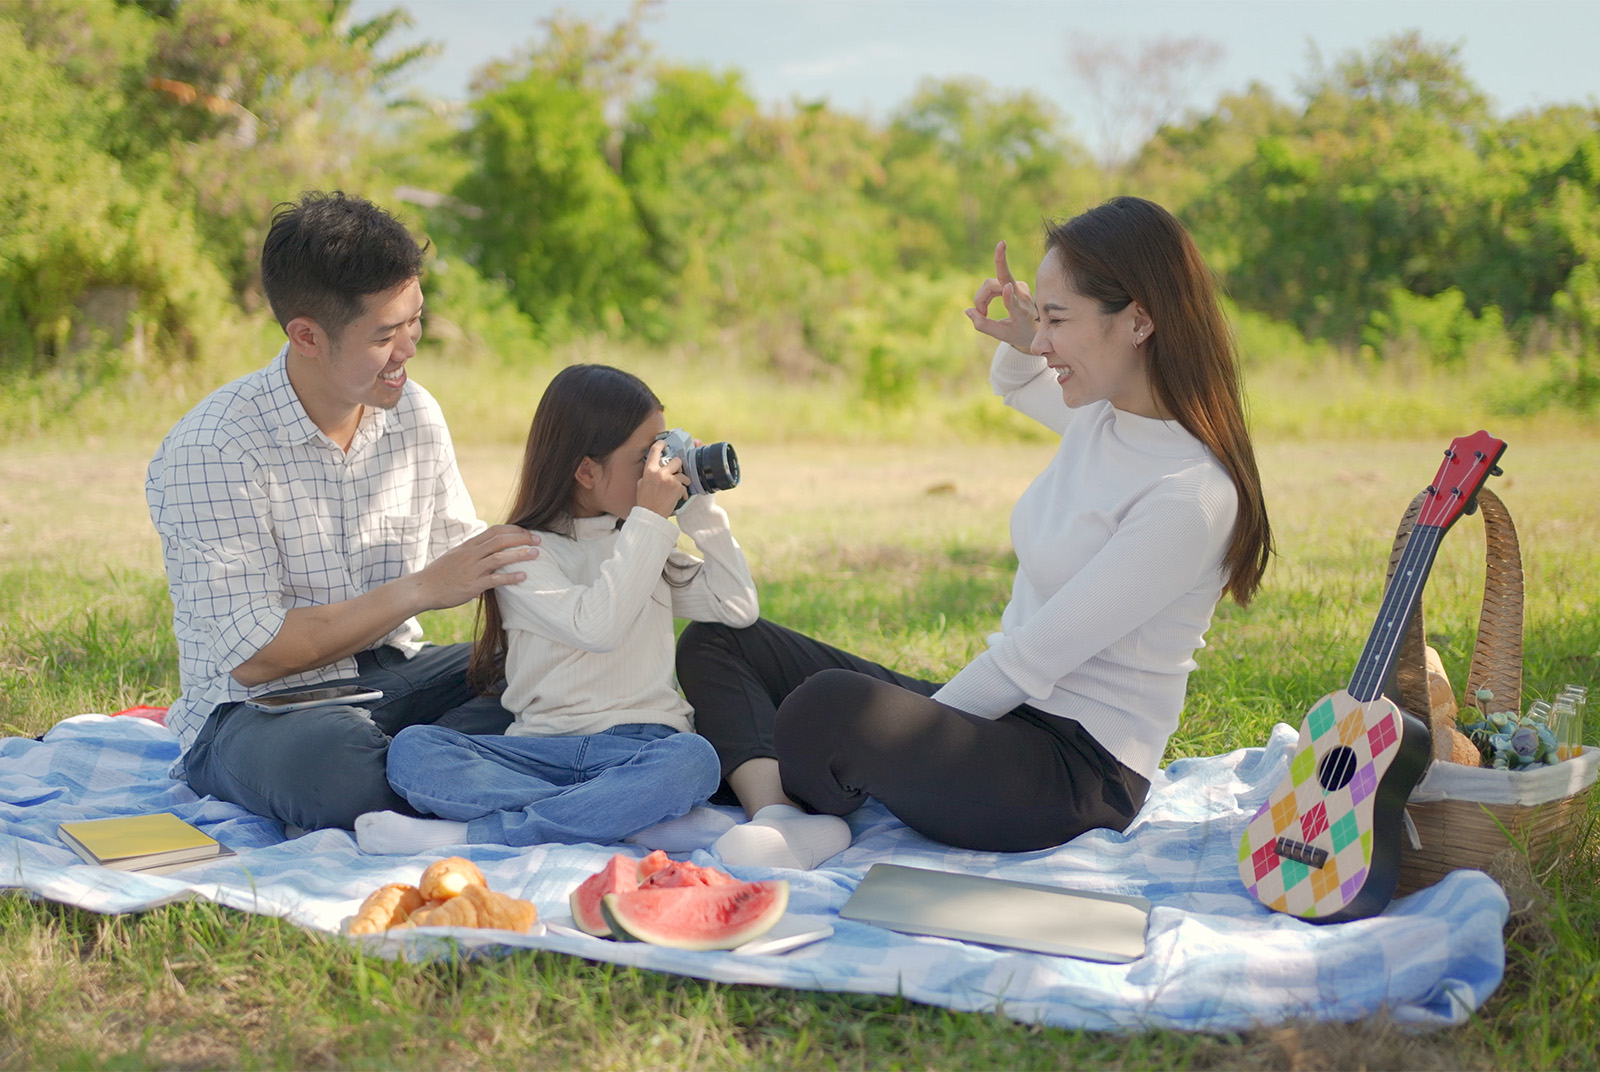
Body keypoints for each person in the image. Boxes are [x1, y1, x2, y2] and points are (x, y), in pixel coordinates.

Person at [677, 196, 1273, 867]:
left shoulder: (1189, 494)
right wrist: (1025, 338)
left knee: (826, 710)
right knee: (722, 641)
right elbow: (1019, 386)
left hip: (1073, 775)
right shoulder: (1106, 417)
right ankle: (781, 814)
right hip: (1004, 719)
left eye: (1058, 319)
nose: (1043, 342)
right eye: (1039, 319)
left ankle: (772, 775)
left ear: (1137, 320)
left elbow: (1029, 662)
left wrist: (914, 734)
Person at [146, 191, 539, 834]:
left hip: (397, 679)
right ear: (306, 335)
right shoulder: (214, 447)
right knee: (336, 771)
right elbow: (257, 655)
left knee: (543, 669)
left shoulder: (414, 412)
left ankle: (436, 768)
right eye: (385, 334)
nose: (409, 346)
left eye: (414, 320)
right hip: (263, 711)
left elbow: (466, 552)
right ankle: (469, 767)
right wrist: (420, 589)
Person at [352, 364, 760, 855]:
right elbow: (597, 626)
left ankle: (479, 834)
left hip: (640, 747)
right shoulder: (524, 553)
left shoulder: (640, 540)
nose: (660, 470)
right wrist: (651, 519)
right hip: (539, 750)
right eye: (646, 460)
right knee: (415, 751)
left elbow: (737, 606)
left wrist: (695, 505)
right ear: (586, 471)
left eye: (665, 452)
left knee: (695, 761)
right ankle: (625, 817)